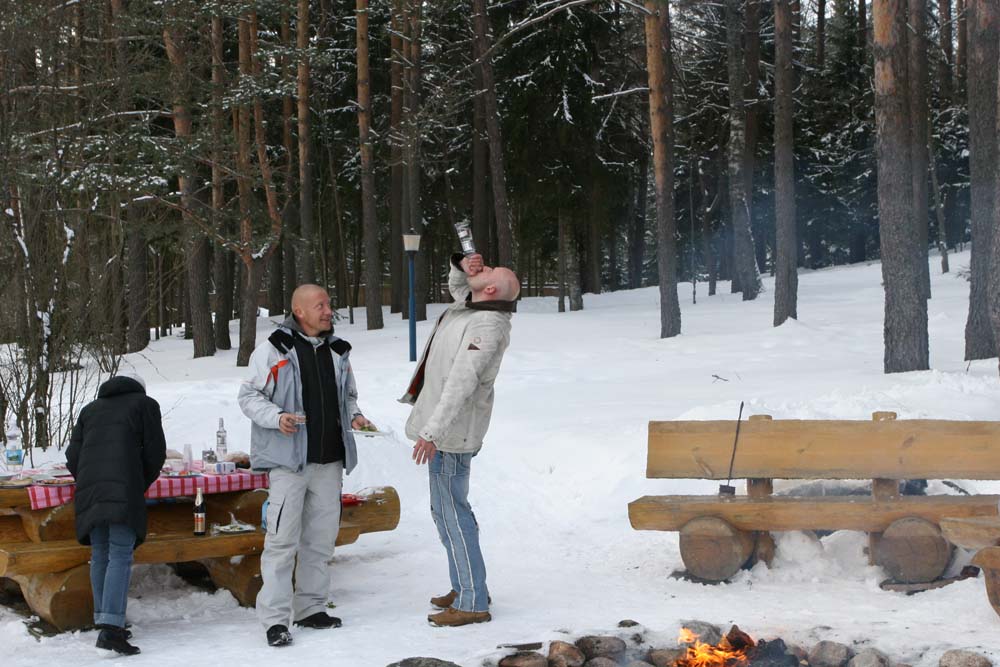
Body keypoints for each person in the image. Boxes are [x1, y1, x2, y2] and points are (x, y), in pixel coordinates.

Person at [238, 284, 374, 647]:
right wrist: (276, 416)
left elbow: (348, 396)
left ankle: (311, 607)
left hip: (330, 462)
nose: (329, 311)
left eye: (329, 304)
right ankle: (275, 620)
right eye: (321, 305)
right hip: (289, 464)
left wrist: (356, 417)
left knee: (319, 541)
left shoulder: (338, 351)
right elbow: (249, 395)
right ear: (299, 311)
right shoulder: (274, 350)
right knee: (281, 542)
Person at [400, 252, 519, 627]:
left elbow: (461, 384)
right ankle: (465, 586)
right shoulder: (471, 309)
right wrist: (460, 267)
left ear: (490, 290)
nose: (480, 268)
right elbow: (458, 287)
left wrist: (432, 432)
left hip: (451, 434)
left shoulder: (487, 326)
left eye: (486, 271)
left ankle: (472, 601)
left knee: (454, 514)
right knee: (443, 513)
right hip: (442, 430)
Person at [66, 372, 166, 656]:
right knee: (120, 553)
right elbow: (156, 452)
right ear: (140, 389)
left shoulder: (90, 410)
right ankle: (111, 628)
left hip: (90, 490)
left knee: (100, 553)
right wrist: (137, 482)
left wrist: (91, 478)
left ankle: (105, 618)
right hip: (123, 489)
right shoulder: (145, 405)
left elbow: (73, 456)